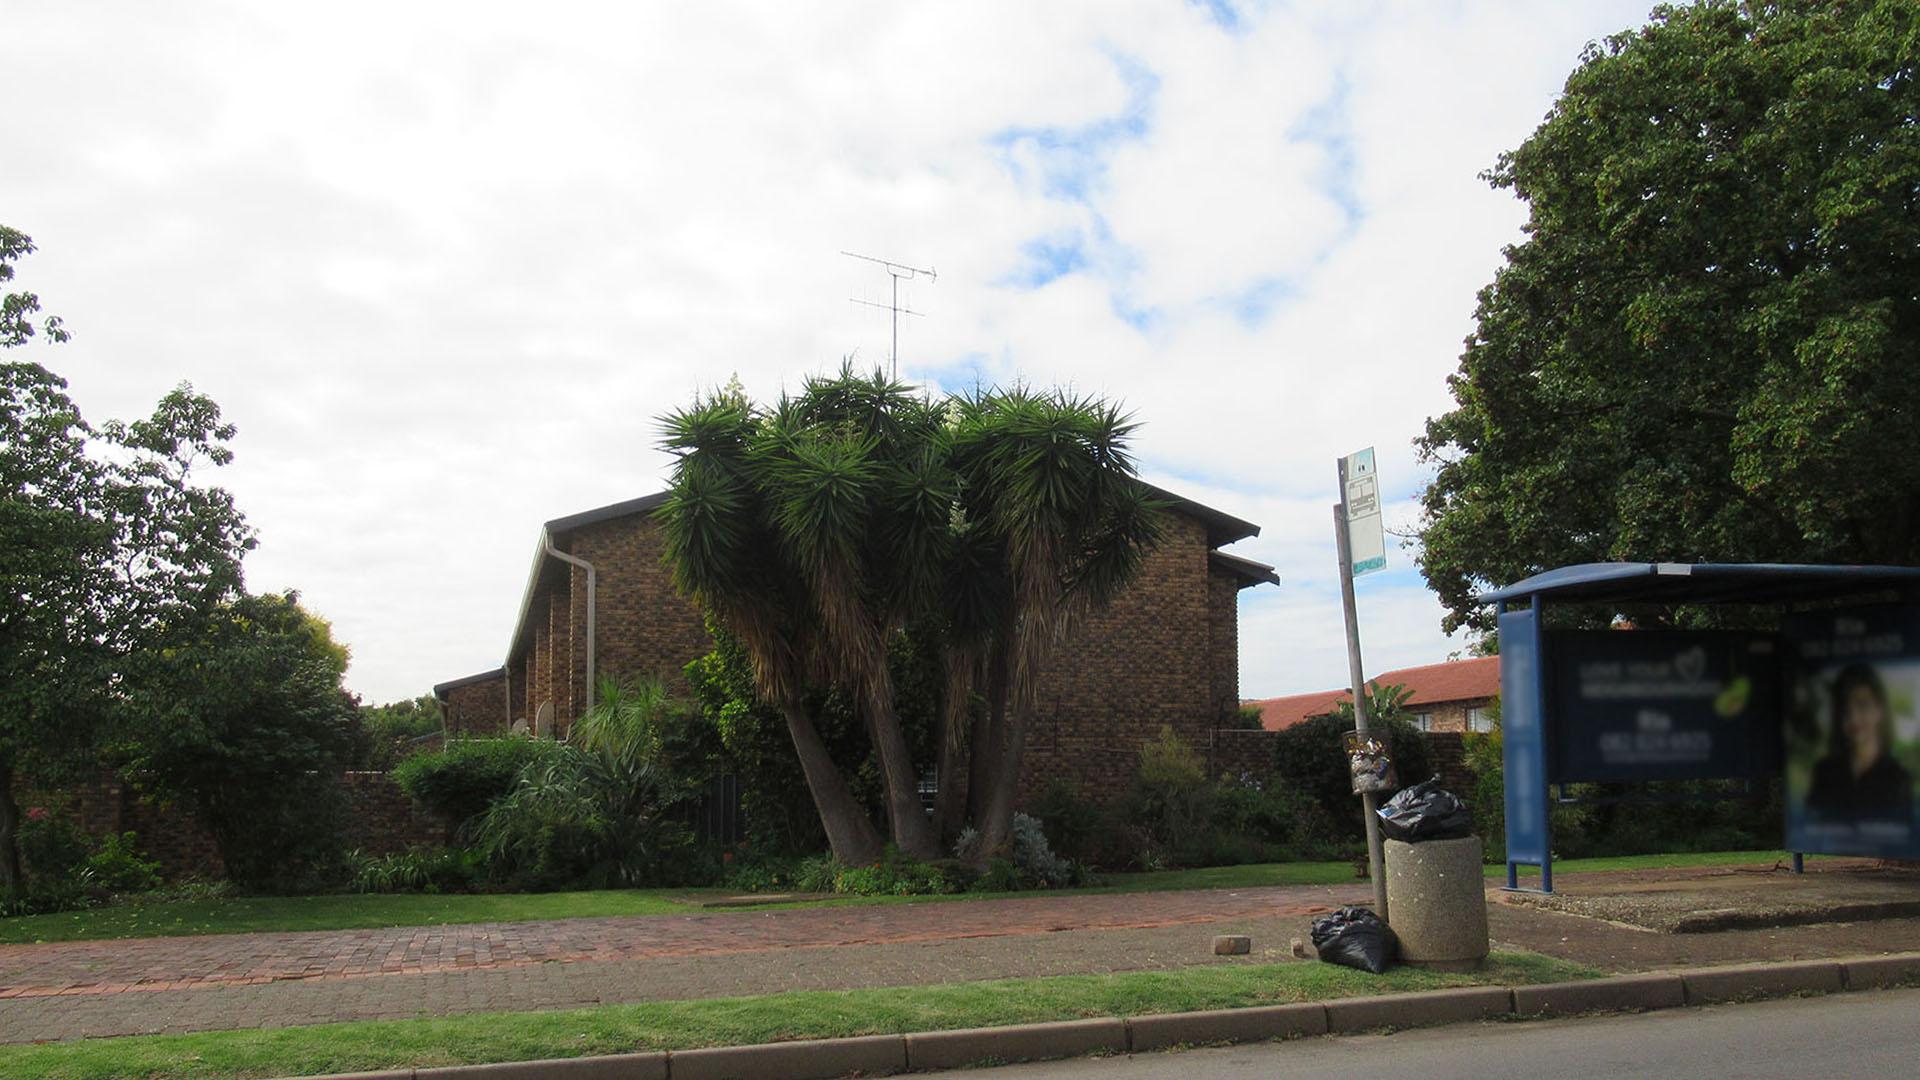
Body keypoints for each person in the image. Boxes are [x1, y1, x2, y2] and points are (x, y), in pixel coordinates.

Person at [1806, 664, 1914, 823]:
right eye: (1845, 709)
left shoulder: (1899, 778)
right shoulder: (1824, 772)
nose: (1854, 718)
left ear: (1879, 709)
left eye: (1862, 705)